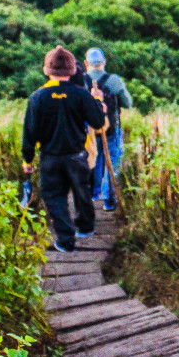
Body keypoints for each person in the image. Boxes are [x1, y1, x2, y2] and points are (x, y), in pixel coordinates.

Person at [22, 46, 108, 252]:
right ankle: (86, 228)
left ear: (47, 70)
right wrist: (97, 102)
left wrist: (27, 160)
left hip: (50, 157)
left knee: (55, 197)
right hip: (77, 155)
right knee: (82, 192)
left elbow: (29, 133)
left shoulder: (38, 97)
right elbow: (97, 122)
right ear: (71, 70)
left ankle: (66, 240)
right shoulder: (81, 94)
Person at [84, 47, 133, 212]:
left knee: (94, 160)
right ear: (103, 62)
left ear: (86, 64)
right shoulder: (114, 80)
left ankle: (94, 193)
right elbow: (128, 103)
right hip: (110, 128)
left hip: (88, 130)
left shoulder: (80, 81)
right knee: (112, 160)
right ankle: (108, 200)